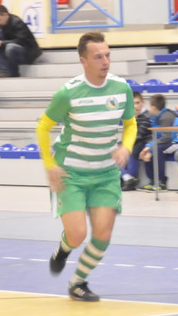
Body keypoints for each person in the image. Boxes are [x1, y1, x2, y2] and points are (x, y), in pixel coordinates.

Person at [37, 31, 136, 302]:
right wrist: (49, 165)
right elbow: (43, 126)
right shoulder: (68, 93)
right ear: (84, 61)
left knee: (103, 234)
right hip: (71, 172)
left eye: (108, 55)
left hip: (105, 173)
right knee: (77, 234)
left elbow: (130, 123)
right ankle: (63, 248)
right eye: (98, 57)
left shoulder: (121, 88)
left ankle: (78, 283)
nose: (106, 61)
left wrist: (126, 146)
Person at [0, 5, 42, 77]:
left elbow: (21, 41)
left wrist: (1, 43)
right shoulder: (1, 24)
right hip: (12, 51)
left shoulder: (17, 22)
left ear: (5, 14)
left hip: (28, 53)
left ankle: (13, 72)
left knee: (11, 47)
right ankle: (4, 69)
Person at [139, 93, 178, 191]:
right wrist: (148, 147)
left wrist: (151, 149)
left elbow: (166, 138)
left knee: (157, 149)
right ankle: (152, 180)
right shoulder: (156, 117)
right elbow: (156, 136)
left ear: (153, 108)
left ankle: (162, 182)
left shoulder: (166, 117)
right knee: (147, 149)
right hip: (168, 140)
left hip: (177, 141)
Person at [120, 90, 151, 191]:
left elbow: (139, 135)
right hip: (137, 142)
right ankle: (127, 177)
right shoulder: (131, 116)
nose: (135, 106)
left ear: (142, 103)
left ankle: (129, 177)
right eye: (132, 104)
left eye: (137, 103)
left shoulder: (146, 116)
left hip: (146, 142)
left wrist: (125, 145)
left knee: (131, 149)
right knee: (115, 148)